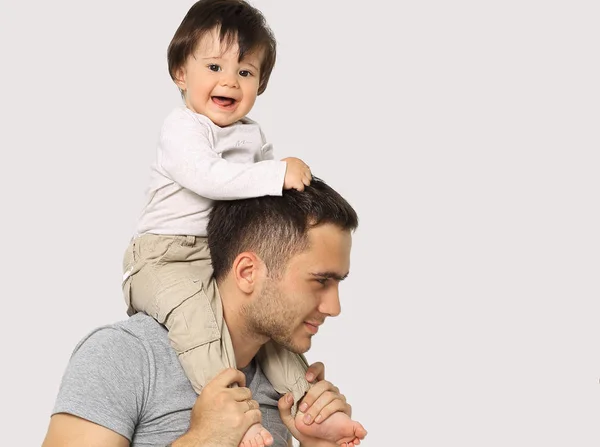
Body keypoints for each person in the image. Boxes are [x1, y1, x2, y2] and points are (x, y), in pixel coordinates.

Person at [120, 1, 339, 445]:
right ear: (181, 73)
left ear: (261, 83)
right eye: (214, 65)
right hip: (166, 258)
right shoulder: (183, 128)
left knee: (270, 326)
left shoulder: (252, 135)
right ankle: (233, 417)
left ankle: (308, 406)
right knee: (199, 323)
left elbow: (265, 210)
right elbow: (210, 178)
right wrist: (278, 172)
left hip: (218, 257)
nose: (229, 81)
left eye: (245, 72)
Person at [42, 178, 367, 447]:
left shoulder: (284, 388)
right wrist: (201, 440)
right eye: (320, 281)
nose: (334, 308)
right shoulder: (124, 355)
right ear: (247, 273)